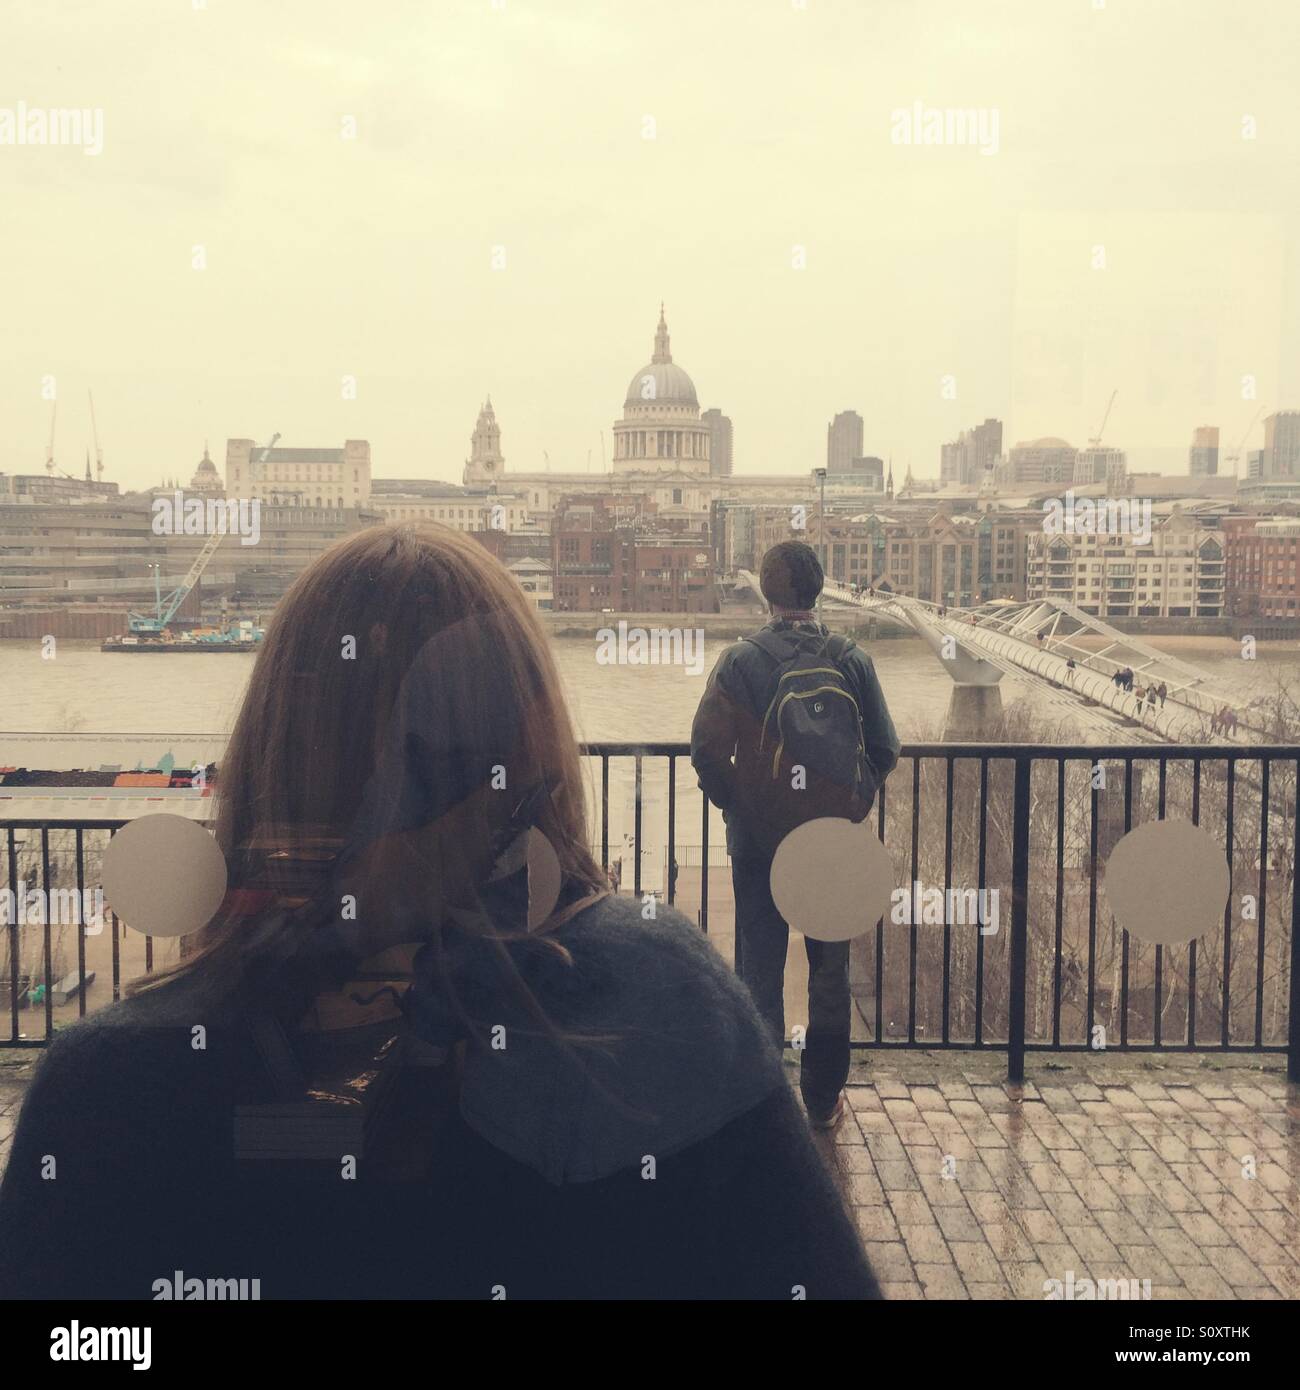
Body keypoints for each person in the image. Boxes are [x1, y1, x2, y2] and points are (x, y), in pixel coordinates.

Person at [0, 525, 879, 1302]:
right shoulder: (670, 1009)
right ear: (530, 759)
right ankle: (824, 1081)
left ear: (271, 749)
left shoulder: (107, 1089)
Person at [690, 541, 900, 1132]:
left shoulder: (739, 662)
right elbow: (884, 747)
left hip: (759, 847)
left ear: (765, 592)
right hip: (830, 844)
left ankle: (764, 1100)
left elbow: (704, 752)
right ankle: (824, 1096)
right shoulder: (851, 659)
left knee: (760, 966)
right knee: (829, 973)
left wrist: (743, 805)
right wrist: (851, 802)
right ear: (819, 588)